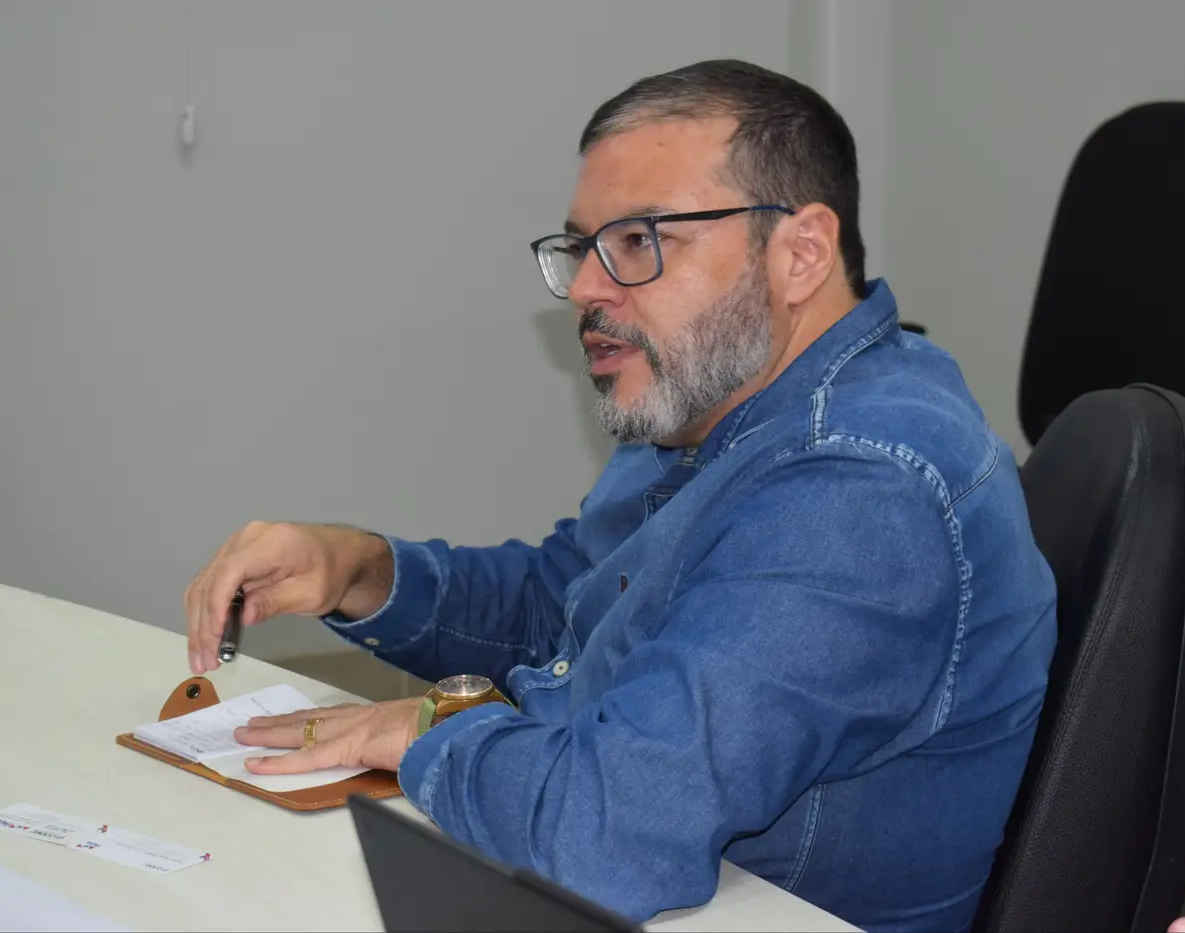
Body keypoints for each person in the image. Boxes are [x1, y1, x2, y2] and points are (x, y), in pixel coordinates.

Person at [183, 59, 1058, 932]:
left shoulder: (860, 488)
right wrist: (362, 571)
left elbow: (608, 834)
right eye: (582, 248)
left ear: (800, 254)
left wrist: (429, 726)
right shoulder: (715, 404)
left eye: (639, 241)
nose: (587, 289)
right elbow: (567, 612)